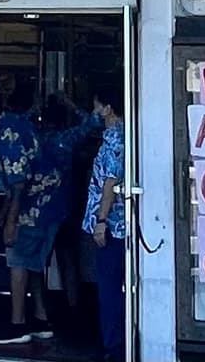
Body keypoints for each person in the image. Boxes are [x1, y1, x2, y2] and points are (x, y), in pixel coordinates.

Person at [0, 86, 99, 346]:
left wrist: (11, 220)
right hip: (54, 204)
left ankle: (17, 324)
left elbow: (19, 181)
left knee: (18, 260)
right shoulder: (18, 125)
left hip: (36, 207)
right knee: (33, 263)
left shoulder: (7, 133)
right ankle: (41, 320)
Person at [81, 78, 128, 362]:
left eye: (97, 106)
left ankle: (114, 347)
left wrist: (101, 220)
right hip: (117, 225)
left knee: (109, 289)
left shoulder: (114, 138)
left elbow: (110, 181)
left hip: (112, 227)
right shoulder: (124, 134)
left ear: (108, 108)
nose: (94, 112)